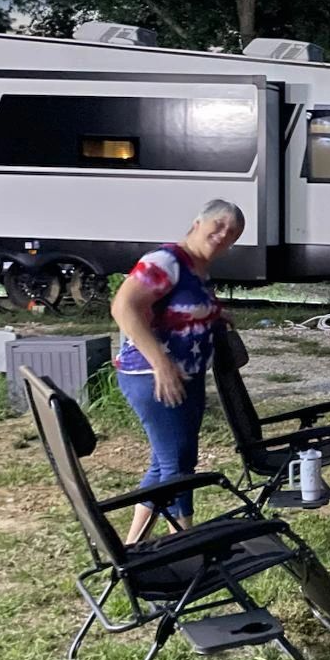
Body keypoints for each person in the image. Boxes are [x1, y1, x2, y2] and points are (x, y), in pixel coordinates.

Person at [111, 199, 245, 543]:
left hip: (187, 376)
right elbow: (124, 307)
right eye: (218, 224)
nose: (223, 233)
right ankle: (184, 549)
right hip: (154, 377)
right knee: (178, 470)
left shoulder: (197, 268)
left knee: (166, 463)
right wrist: (161, 363)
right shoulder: (166, 261)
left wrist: (214, 315)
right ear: (198, 223)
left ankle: (132, 548)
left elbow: (179, 308)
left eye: (232, 233)